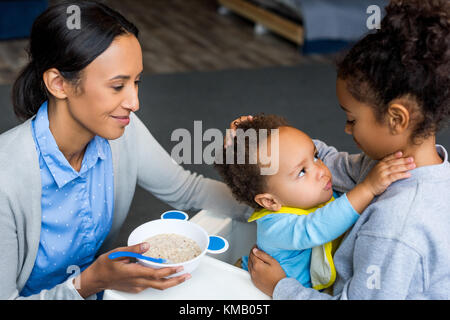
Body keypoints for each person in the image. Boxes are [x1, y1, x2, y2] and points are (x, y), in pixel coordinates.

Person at [0, 1, 251, 300]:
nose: (134, 102)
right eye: (118, 86)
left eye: (137, 82)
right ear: (58, 83)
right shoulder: (6, 178)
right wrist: (89, 282)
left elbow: (186, 188)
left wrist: (274, 202)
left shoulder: (121, 131)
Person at [232, 0, 450, 299]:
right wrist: (269, 139)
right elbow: (332, 163)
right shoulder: (398, 166)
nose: (346, 130)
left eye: (351, 119)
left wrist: (281, 288)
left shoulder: (395, 226)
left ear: (396, 118)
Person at [216, 114, 415, 290]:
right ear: (270, 201)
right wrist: (368, 188)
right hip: (258, 287)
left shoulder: (314, 194)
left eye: (316, 156)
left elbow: (289, 153)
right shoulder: (274, 227)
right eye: (302, 172)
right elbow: (318, 225)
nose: (321, 170)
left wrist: (253, 133)